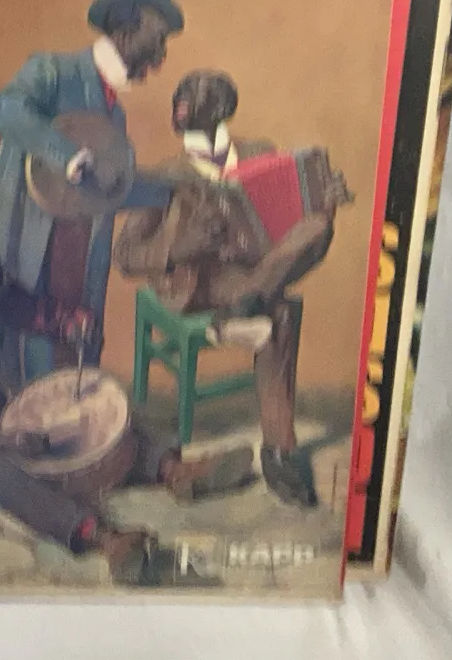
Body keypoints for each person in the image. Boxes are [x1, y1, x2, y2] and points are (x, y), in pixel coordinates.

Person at [0, 238, 255, 586]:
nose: (3, 284)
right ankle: (105, 539)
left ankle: (174, 471)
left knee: (95, 408)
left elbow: (39, 312)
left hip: (0, 411)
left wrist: (75, 324)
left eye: (0, 274)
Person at [112, 70, 353, 508]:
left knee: (318, 225)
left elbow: (294, 214)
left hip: (256, 267)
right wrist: (180, 246)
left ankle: (246, 305)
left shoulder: (259, 152)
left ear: (221, 108)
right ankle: (281, 450)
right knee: (280, 313)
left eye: (193, 97)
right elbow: (126, 255)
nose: (181, 105)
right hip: (197, 282)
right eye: (179, 98)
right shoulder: (166, 176)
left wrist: (325, 199)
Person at [0, 0, 184, 365]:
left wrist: (174, 190)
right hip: (24, 269)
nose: (161, 56)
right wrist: (67, 156)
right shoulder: (52, 71)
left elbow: (110, 189)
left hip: (79, 276)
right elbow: (7, 109)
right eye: (158, 39)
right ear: (126, 28)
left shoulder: (115, 115)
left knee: (72, 374)